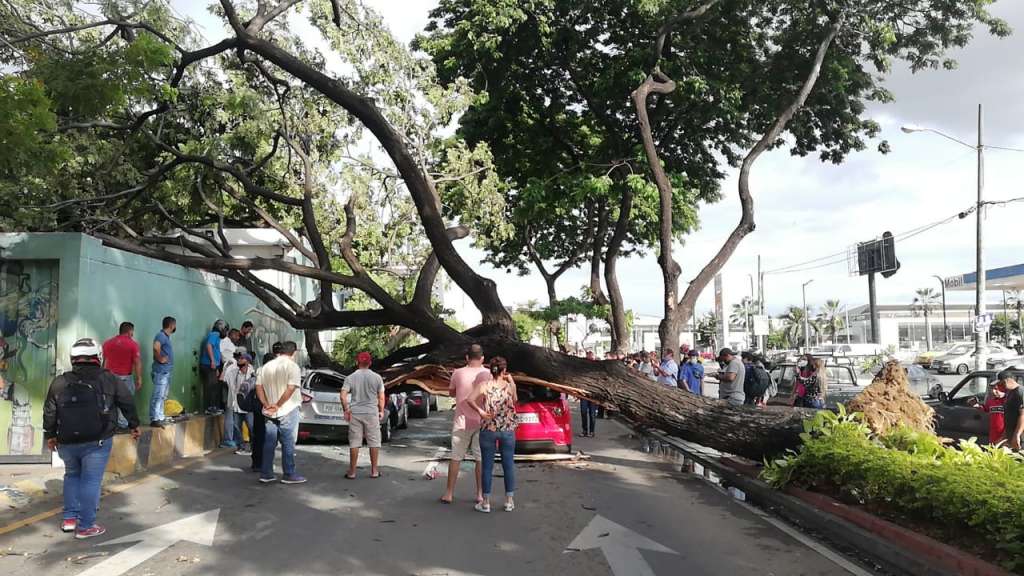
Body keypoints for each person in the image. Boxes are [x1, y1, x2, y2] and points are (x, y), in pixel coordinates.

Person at [44, 338, 140, 539]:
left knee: (71, 476)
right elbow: (127, 401)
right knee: (91, 481)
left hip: (67, 441)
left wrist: (50, 435)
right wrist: (134, 425)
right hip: (97, 441)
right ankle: (86, 526)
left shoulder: (60, 381)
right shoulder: (109, 378)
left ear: (73, 358)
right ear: (98, 356)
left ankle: (70, 519)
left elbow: (50, 411)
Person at [467, 356, 518, 513]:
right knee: (508, 465)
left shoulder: (484, 385)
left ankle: (486, 502)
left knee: (487, 467)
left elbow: (469, 399)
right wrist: (512, 381)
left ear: (491, 370)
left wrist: (481, 411)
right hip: (507, 430)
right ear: (504, 371)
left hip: (488, 430)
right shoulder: (509, 387)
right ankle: (509, 501)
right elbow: (515, 400)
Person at [440, 344, 490, 505]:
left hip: (461, 422)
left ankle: (449, 493)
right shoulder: (487, 374)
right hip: (481, 421)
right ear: (482, 358)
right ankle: (480, 494)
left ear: (467, 357)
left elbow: (451, 392)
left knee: (456, 458)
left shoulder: (457, 373)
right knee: (480, 459)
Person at [256, 341, 305, 484]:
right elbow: (291, 388)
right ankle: (289, 473)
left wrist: (267, 404)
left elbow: (258, 387)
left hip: (269, 411)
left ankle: (266, 473)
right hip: (287, 409)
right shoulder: (292, 367)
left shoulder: (265, 367)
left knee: (269, 442)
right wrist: (278, 405)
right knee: (288, 442)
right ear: (293, 353)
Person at [342, 351, 386, 479]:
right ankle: (374, 470)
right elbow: (381, 396)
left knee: (355, 442)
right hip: (371, 412)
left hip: (356, 412)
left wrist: (346, 409)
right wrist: (381, 410)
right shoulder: (377, 377)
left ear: (357, 362)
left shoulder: (350, 377)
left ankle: (352, 472)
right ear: (370, 363)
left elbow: (343, 394)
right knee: (374, 442)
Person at [102, 322, 142, 431]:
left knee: (110, 401)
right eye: (132, 331)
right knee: (126, 402)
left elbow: (104, 361)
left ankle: (111, 424)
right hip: (125, 378)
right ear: (130, 331)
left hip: (110, 377)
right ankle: (122, 425)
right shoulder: (133, 344)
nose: (133, 334)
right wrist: (139, 378)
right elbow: (137, 362)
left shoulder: (108, 343)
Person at [251, 342, 282, 473]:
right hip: (268, 407)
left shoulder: (259, 370)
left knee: (258, 435)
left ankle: (256, 462)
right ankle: (266, 464)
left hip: (258, 406)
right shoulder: (274, 374)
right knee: (269, 436)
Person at [223, 353, 256, 453]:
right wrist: (226, 367)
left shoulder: (253, 373)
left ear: (248, 362)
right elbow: (224, 379)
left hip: (249, 406)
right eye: (239, 359)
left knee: (251, 426)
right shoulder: (234, 372)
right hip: (237, 404)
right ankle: (240, 446)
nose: (239, 361)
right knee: (237, 426)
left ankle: (253, 446)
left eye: (242, 359)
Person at [150, 316, 175, 428]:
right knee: (158, 395)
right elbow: (156, 347)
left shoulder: (165, 337)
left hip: (165, 372)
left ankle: (160, 416)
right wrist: (160, 358)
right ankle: (154, 418)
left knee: (162, 396)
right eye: (174, 325)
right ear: (171, 325)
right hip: (161, 372)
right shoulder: (161, 336)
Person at [201, 320, 226, 415]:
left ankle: (213, 407)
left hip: (212, 365)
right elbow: (209, 346)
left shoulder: (215, 336)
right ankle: (210, 408)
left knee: (214, 386)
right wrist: (212, 361)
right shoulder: (215, 334)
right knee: (212, 387)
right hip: (208, 364)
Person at [970, 381, 1006, 445]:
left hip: (1005, 434)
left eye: (996, 389)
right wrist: (977, 406)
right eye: (992, 389)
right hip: (993, 433)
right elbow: (986, 408)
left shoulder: (1008, 401)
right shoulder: (991, 401)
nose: (993, 392)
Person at [1000, 371, 1023, 450]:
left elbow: (1023, 415)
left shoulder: (1020, 392)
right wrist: (1004, 436)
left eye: (1002, 383)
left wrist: (1017, 435)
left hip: (1020, 438)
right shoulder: (1010, 392)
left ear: (1008, 380)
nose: (1001, 386)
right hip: (1011, 435)